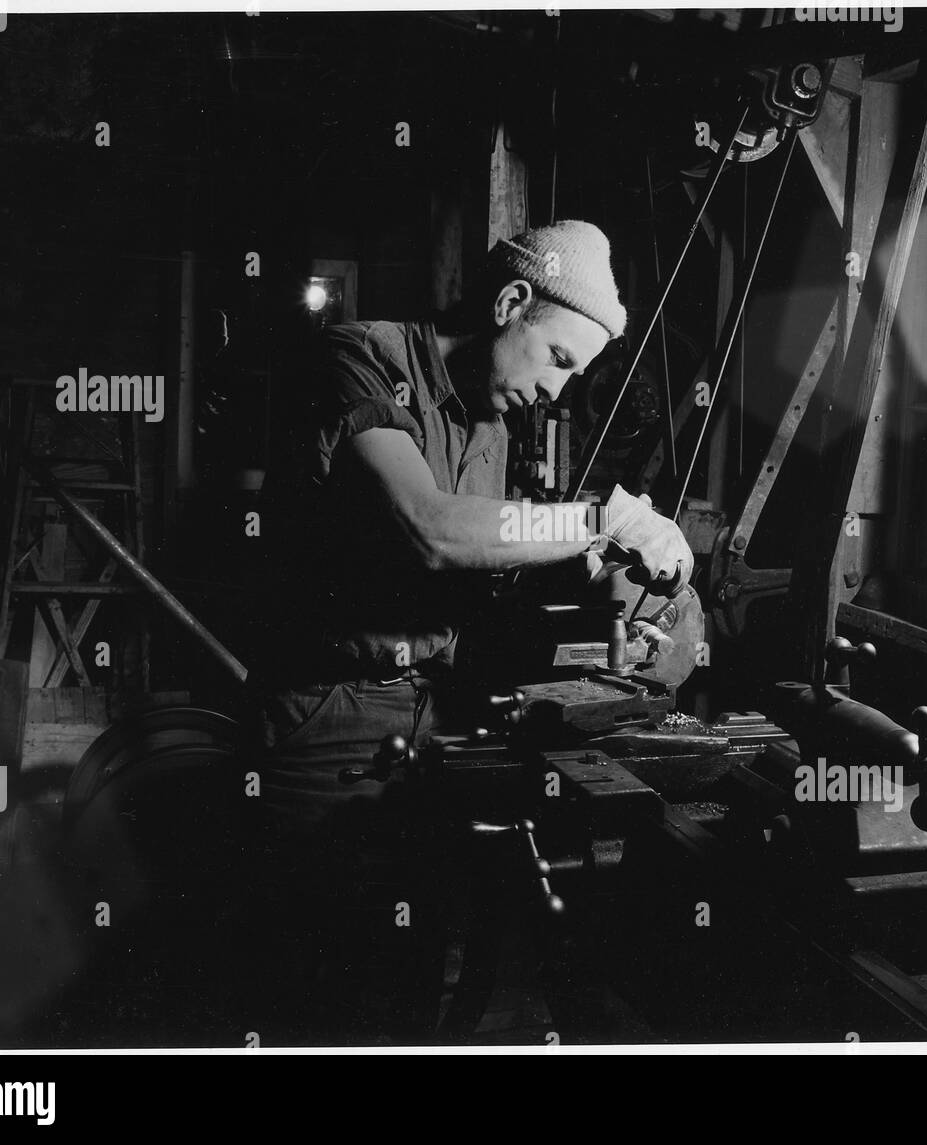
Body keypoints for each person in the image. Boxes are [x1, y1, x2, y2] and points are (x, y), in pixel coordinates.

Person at [233, 221, 694, 1041]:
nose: (559, 391)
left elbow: (488, 566)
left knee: (404, 990)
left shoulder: (491, 421)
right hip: (326, 721)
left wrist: (607, 578)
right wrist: (597, 519)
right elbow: (434, 528)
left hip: (433, 721)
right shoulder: (357, 360)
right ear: (513, 301)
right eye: (558, 360)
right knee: (315, 991)